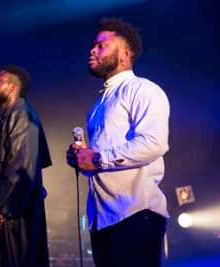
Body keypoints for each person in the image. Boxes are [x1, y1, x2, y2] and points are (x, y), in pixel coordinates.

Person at [66, 18, 170, 267]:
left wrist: (97, 158)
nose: (92, 50)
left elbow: (154, 143)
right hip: (102, 220)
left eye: (101, 45)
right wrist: (82, 158)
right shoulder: (97, 107)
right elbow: (98, 157)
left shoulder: (143, 90)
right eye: (94, 45)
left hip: (136, 215)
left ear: (124, 54)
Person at [0, 65, 52, 267]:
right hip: (1, 217)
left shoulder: (23, 116)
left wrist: (0, 207)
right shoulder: (4, 121)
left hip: (11, 221)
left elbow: (21, 165)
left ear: (12, 87)